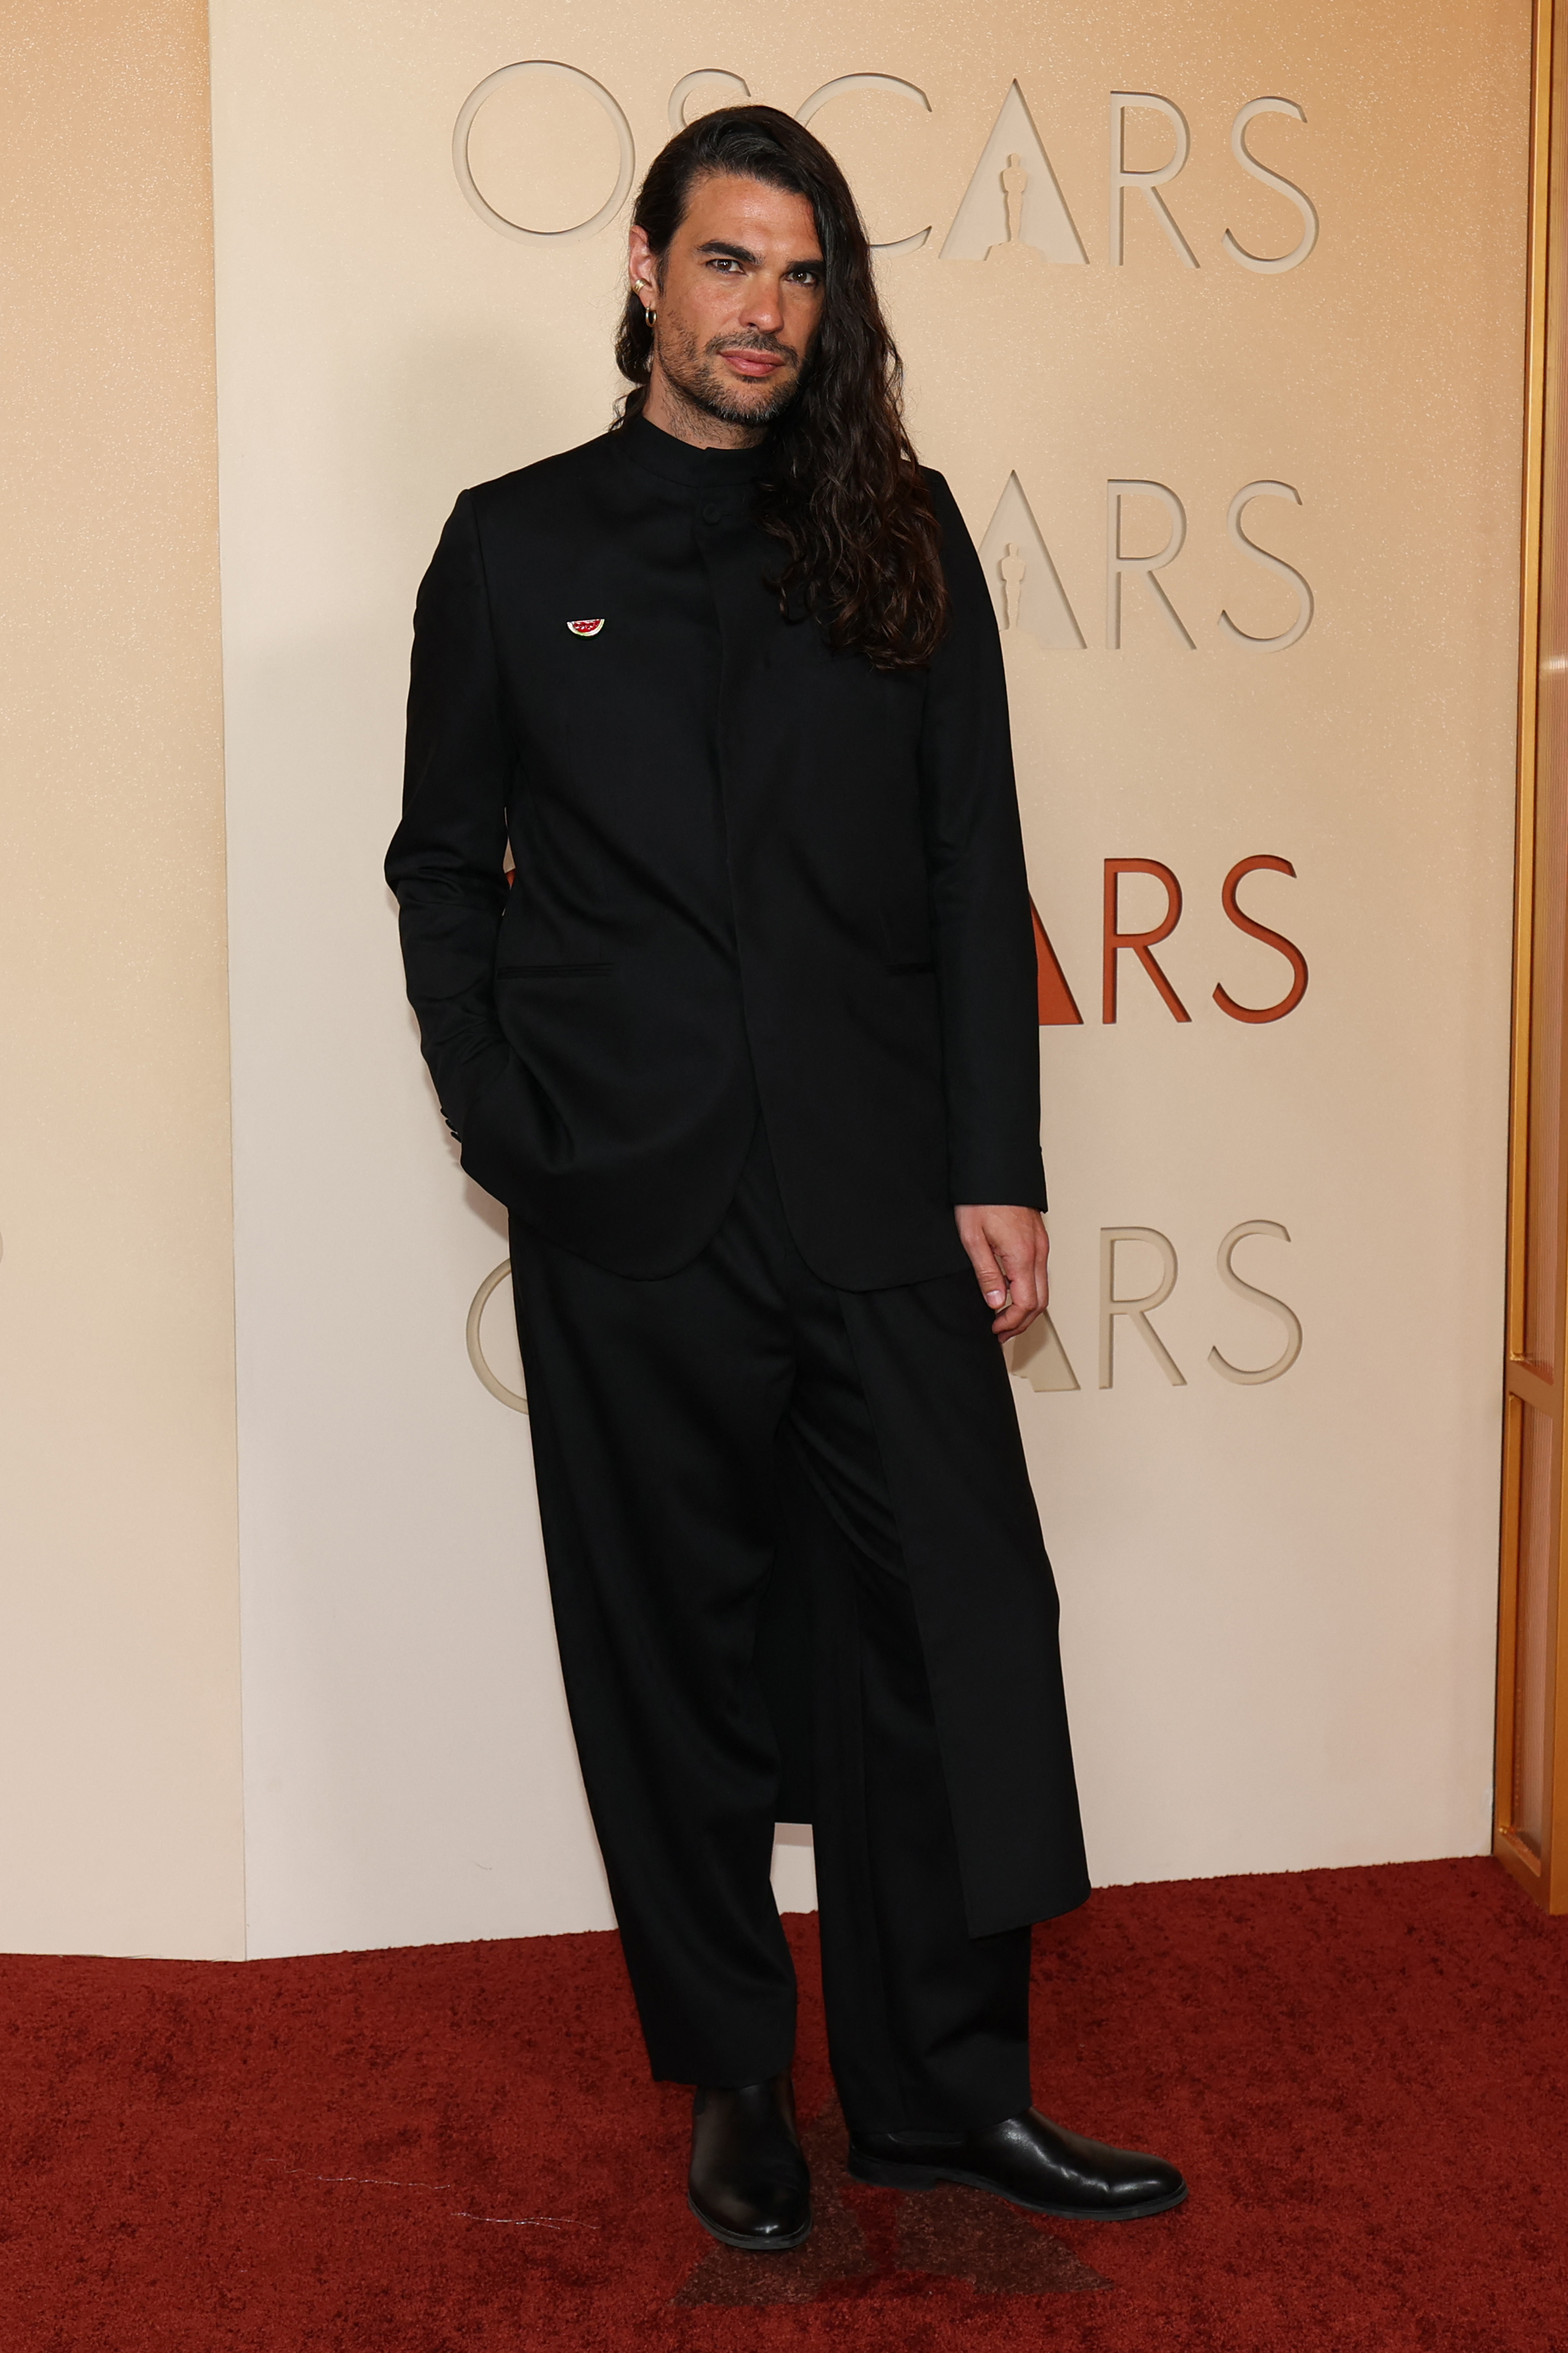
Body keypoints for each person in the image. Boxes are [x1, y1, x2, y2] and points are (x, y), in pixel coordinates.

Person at [387, 104, 1184, 2254]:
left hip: (876, 1198)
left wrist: (996, 1163)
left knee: (955, 1631)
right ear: (647, 269)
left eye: (804, 274)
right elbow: (440, 866)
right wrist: (505, 1121)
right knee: (679, 1658)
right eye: (731, 262)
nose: (767, 310)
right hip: (628, 1206)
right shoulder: (516, 547)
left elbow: (966, 864)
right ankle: (738, 2083)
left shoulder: (894, 527)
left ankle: (946, 2094)